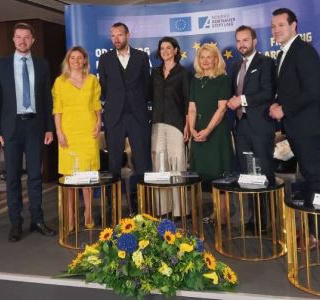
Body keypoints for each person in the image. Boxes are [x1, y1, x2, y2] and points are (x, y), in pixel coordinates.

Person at [0, 22, 55, 242]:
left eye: (26, 37)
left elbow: (46, 99)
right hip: (11, 128)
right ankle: (16, 224)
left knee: (35, 176)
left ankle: (37, 220)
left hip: (35, 126)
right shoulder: (1, 65)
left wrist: (49, 127)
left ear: (32, 40)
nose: (22, 41)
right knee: (13, 178)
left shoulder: (42, 65)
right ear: (13, 39)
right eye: (18, 37)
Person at [269, 8, 320, 245]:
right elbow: (290, 89)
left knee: (314, 177)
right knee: (308, 177)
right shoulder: (282, 54)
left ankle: (319, 234)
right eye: (273, 26)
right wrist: (277, 103)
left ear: (294, 25)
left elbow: (311, 92)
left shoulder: (304, 51)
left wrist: (284, 109)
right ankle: (311, 229)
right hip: (294, 126)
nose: (276, 30)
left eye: (281, 25)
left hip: (306, 126)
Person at [98, 22, 152, 210]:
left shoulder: (141, 57)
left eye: (119, 35)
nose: (116, 39)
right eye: (113, 36)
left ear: (127, 35)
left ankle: (142, 203)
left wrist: (137, 102)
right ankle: (112, 206)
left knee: (142, 161)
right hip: (114, 116)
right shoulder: (105, 59)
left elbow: (146, 85)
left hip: (138, 115)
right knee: (113, 162)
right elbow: (104, 88)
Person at [52, 46, 101, 230]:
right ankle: (71, 217)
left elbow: (96, 105)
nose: (76, 61)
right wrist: (59, 132)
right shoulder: (60, 82)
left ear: (85, 60)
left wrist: (99, 122)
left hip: (89, 132)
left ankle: (88, 214)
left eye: (79, 58)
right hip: (68, 133)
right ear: (68, 61)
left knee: (87, 176)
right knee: (70, 177)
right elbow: (57, 109)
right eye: (72, 58)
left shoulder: (92, 80)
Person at [188, 43, 234, 221]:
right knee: (202, 173)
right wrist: (192, 129)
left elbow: (222, 109)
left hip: (216, 132)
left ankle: (222, 215)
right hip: (198, 132)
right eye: (202, 57)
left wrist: (207, 130)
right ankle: (209, 213)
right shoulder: (195, 80)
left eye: (209, 57)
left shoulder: (223, 79)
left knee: (219, 174)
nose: (205, 61)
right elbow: (192, 108)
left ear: (216, 59)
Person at [227, 26, 276, 184]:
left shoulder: (266, 62)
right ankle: (250, 202)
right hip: (240, 126)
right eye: (238, 41)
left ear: (255, 41)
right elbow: (233, 93)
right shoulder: (235, 66)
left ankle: (268, 201)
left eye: (245, 40)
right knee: (246, 173)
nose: (241, 44)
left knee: (264, 172)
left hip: (260, 125)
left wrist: (241, 100)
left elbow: (268, 93)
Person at [150, 36, 191, 216]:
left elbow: (189, 102)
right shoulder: (155, 73)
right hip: (157, 124)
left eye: (168, 48)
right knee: (159, 164)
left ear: (175, 50)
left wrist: (188, 125)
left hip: (176, 124)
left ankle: (179, 210)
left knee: (177, 164)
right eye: (162, 48)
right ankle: (162, 209)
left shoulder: (184, 73)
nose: (165, 51)